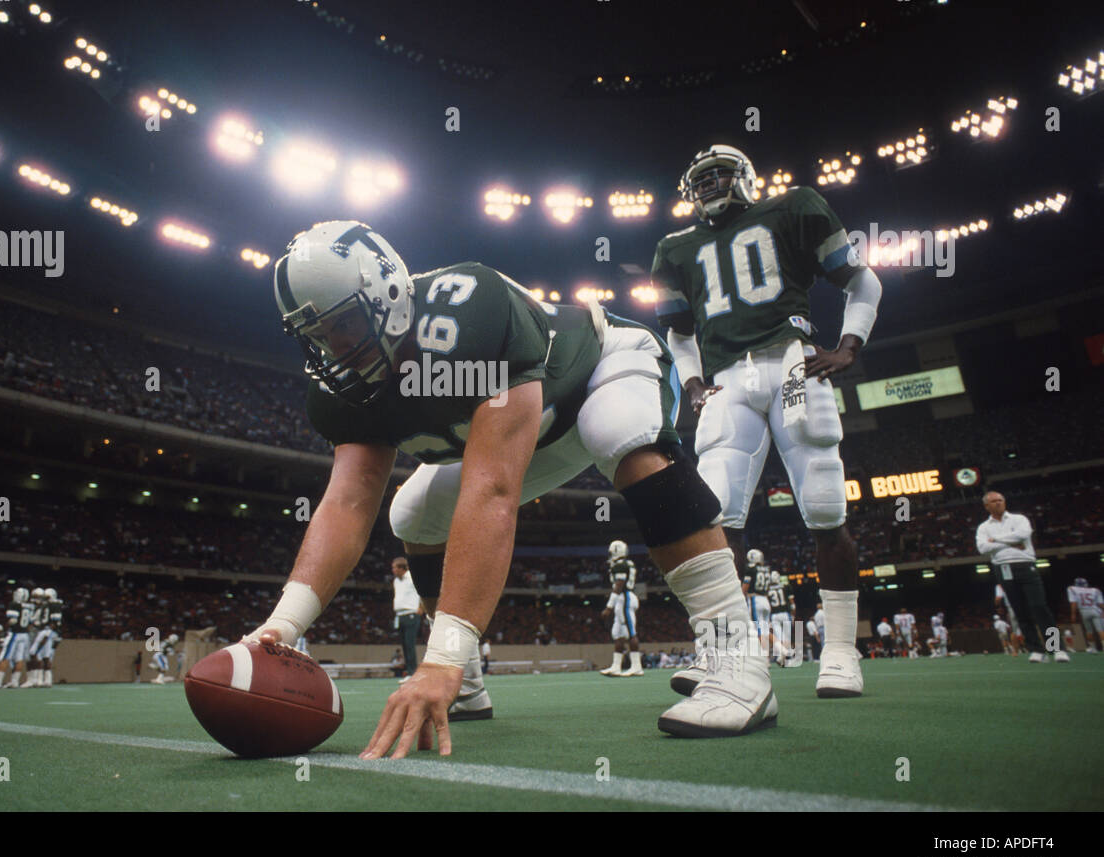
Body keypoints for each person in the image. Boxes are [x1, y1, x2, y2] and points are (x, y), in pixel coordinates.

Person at [242, 219, 773, 758]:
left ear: (388, 293)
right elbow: (348, 505)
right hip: (532, 429)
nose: (335, 346)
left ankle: (737, 660)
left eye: (345, 323)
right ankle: (466, 685)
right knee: (413, 515)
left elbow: (492, 490)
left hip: (601, 367)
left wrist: (440, 658)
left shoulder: (466, 316)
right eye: (317, 335)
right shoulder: (342, 390)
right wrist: (282, 626)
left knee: (618, 429)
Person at [653, 145, 880, 699]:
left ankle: (842, 653)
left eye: (718, 174)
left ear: (747, 177)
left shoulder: (794, 207)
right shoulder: (675, 247)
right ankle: (725, 652)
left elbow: (861, 281)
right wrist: (689, 382)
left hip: (793, 365)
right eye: (699, 177)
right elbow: (679, 332)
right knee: (716, 518)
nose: (707, 184)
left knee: (825, 510)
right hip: (728, 380)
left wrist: (849, 347)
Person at [976, 491, 1066, 662]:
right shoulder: (983, 527)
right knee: (1019, 611)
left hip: (1024, 564)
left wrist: (994, 541)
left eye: (1000, 500)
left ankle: (1056, 648)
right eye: (994, 501)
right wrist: (1010, 542)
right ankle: (1036, 650)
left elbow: (1023, 535)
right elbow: (982, 548)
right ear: (986, 506)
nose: (998, 503)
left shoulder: (1019, 519)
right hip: (1002, 568)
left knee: (1039, 606)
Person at [600, 540, 643, 676]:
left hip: (625, 598)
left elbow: (619, 584)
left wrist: (608, 607)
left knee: (631, 633)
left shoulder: (620, 565)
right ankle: (616, 666)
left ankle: (636, 666)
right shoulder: (627, 563)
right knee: (618, 634)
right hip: (623, 598)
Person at [391, 557, 421, 679]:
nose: (393, 570)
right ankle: (409, 670)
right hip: (400, 615)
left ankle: (413, 672)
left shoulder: (412, 578)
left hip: (411, 614)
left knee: (410, 644)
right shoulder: (396, 581)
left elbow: (421, 591)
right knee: (404, 644)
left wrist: (421, 607)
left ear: (402, 568)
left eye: (394, 567)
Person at [1067, 577, 1103, 653]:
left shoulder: (1072, 589)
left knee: (1089, 631)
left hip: (1083, 612)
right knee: (1100, 630)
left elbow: (1074, 603)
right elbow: (1100, 604)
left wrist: (1073, 614)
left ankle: (1093, 648)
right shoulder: (1095, 590)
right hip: (1095, 610)